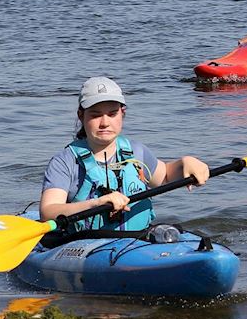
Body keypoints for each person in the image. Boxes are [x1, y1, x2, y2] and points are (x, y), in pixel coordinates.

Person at [39, 77, 209, 237]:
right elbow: (48, 212)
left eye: (112, 114)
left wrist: (186, 163)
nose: (105, 122)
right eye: (95, 114)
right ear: (81, 116)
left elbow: (164, 176)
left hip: (137, 240)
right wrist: (97, 203)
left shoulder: (136, 151)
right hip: (85, 245)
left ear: (122, 113)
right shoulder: (64, 162)